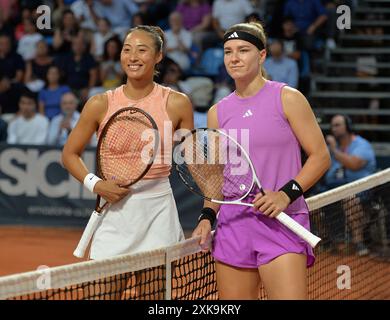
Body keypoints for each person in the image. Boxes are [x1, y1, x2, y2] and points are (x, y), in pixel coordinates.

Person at [192, 22, 330, 300]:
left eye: (243, 50)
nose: (234, 58)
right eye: (228, 51)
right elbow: (219, 176)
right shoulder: (218, 112)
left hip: (282, 221)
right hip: (233, 226)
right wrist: (208, 216)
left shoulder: (288, 98)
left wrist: (285, 195)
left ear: (262, 55)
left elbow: (320, 157)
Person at [62, 25, 194, 263]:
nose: (132, 57)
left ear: (158, 56)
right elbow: (70, 154)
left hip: (159, 212)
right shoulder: (99, 103)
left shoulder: (177, 103)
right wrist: (97, 185)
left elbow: (194, 161)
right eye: (127, 50)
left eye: (142, 50)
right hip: (113, 210)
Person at [323, 114, 376, 256]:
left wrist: (334, 150)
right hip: (334, 189)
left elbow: (353, 164)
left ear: (348, 126)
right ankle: (330, 242)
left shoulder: (361, 145)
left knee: (349, 198)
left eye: (338, 125)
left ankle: (358, 242)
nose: (334, 129)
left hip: (360, 190)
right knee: (316, 200)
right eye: (332, 125)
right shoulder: (330, 148)